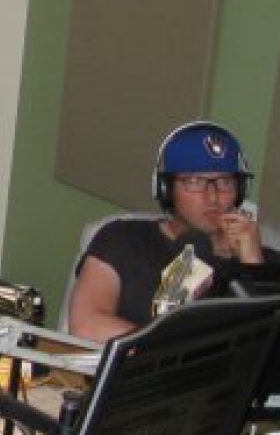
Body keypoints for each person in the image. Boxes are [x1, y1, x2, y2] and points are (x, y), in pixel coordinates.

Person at [68, 121, 280, 342]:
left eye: (225, 182)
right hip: (134, 364)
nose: (213, 197)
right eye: (195, 181)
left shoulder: (267, 262)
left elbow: (268, 346)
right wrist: (172, 351)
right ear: (165, 189)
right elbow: (87, 324)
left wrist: (254, 267)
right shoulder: (122, 239)